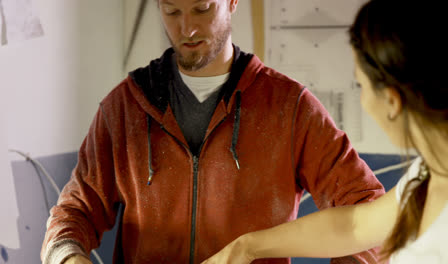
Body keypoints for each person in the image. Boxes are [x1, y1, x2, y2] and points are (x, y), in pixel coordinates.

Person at [40, 0, 385, 263]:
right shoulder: (124, 108)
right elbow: (72, 215)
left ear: (232, 2)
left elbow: (369, 214)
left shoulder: (289, 107)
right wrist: (69, 257)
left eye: (202, 9)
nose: (187, 28)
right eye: (171, 11)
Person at [201, 0, 448, 263]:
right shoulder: (429, 174)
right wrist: (247, 247)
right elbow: (355, 227)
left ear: (392, 101)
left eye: (360, 85)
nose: (363, 101)